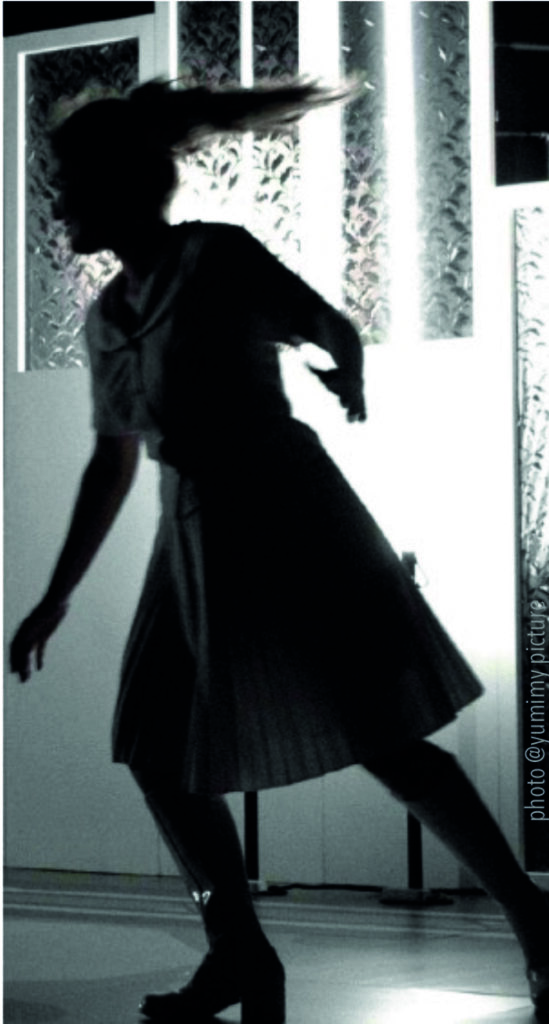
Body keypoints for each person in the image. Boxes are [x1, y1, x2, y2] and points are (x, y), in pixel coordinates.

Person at [9, 78, 549, 1023]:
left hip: (286, 514)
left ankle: (533, 920)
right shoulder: (106, 318)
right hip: (190, 532)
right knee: (154, 746)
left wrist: (346, 369)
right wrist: (55, 596)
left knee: (383, 737)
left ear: (119, 181)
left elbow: (326, 323)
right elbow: (111, 463)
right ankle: (240, 953)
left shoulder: (215, 256)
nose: (55, 205)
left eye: (66, 182)